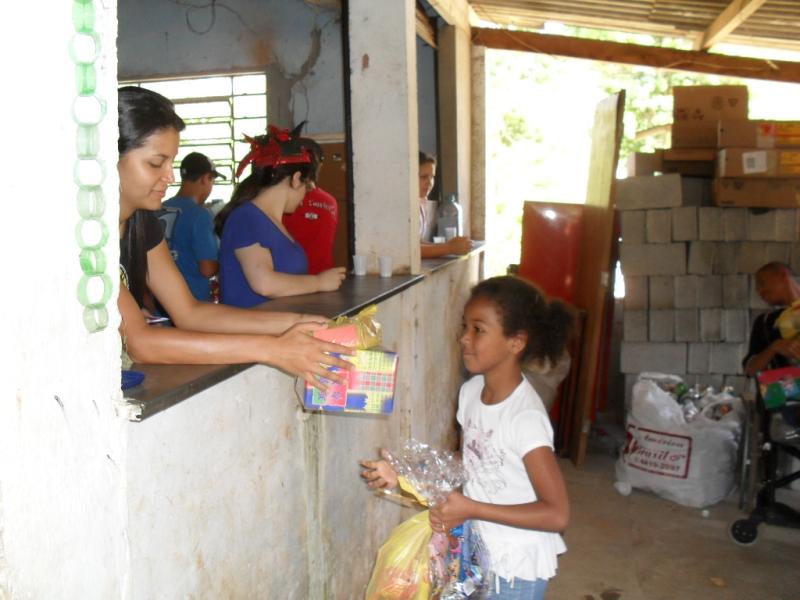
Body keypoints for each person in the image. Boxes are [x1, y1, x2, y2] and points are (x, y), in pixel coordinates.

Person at [117, 86, 351, 385]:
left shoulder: (143, 222)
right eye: (155, 163)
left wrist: (298, 323)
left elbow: (190, 312)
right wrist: (274, 349)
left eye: (171, 162)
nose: (170, 177)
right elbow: (141, 342)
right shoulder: (86, 240)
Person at [361, 276, 573, 599]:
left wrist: (471, 508)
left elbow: (557, 514)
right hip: (478, 554)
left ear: (516, 342)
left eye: (478, 329)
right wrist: (405, 472)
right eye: (465, 326)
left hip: (514, 570)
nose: (464, 338)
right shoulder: (472, 392)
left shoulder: (525, 419)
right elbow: (471, 460)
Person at [214, 127, 346, 308]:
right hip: (251, 324)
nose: (304, 197)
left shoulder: (275, 222)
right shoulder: (246, 217)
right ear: (296, 179)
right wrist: (318, 282)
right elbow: (264, 284)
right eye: (306, 188)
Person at [161, 152, 223, 301]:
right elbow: (208, 269)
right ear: (205, 179)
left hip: (158, 303)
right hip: (191, 302)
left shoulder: (159, 209)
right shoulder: (200, 215)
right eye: (212, 181)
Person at [282, 136, 339, 274]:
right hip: (323, 279)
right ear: (319, 166)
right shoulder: (330, 202)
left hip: (291, 281)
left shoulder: (283, 201)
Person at [743, 261, 800, 376]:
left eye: (762, 283)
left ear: (783, 275)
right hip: (783, 387)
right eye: (757, 288)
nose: (759, 291)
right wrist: (774, 348)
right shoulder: (765, 322)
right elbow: (750, 370)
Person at [418, 151, 472, 259]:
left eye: (432, 177)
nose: (430, 183)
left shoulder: (420, 202)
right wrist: (448, 248)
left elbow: (416, 242)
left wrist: (449, 245)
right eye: (423, 177)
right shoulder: (402, 207)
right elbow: (410, 250)